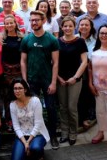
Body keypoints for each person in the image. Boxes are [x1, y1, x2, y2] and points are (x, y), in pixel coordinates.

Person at [20, 10, 60, 149]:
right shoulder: (27, 39)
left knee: (50, 108)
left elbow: (55, 63)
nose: (34, 22)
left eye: (37, 20)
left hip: (47, 79)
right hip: (31, 80)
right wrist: (24, 81)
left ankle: (53, 136)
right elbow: (23, 62)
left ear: (43, 21)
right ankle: (34, 136)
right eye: (31, 20)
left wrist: (54, 82)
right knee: (32, 109)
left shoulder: (52, 40)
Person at [57, 16, 88, 145]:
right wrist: (58, 78)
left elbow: (85, 61)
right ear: (61, 27)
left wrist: (75, 78)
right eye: (65, 26)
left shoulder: (80, 41)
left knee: (71, 107)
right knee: (63, 107)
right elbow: (54, 61)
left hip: (75, 79)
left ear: (74, 27)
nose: (68, 28)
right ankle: (64, 133)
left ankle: (73, 133)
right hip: (61, 80)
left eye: (70, 26)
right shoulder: (57, 41)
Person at [9, 79, 50, 160]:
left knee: (35, 148)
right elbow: (16, 126)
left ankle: (39, 154)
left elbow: (38, 123)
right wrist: (25, 143)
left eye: (20, 88)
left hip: (38, 134)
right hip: (22, 136)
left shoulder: (35, 101)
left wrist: (28, 142)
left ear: (25, 89)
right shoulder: (12, 104)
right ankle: (27, 151)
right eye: (15, 88)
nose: (17, 91)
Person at [1, 15, 24, 132]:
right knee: (7, 97)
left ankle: (20, 121)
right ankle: (8, 121)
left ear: (15, 24)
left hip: (18, 72)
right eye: (7, 23)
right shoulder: (1, 39)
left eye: (11, 23)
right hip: (5, 73)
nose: (9, 25)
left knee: (19, 96)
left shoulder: (21, 38)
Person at [77, 16, 97, 129]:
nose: (84, 27)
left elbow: (91, 59)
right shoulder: (73, 38)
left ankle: (86, 119)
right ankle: (78, 119)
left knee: (85, 97)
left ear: (91, 27)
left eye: (86, 25)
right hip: (73, 72)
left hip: (88, 74)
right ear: (78, 27)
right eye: (82, 24)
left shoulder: (95, 42)